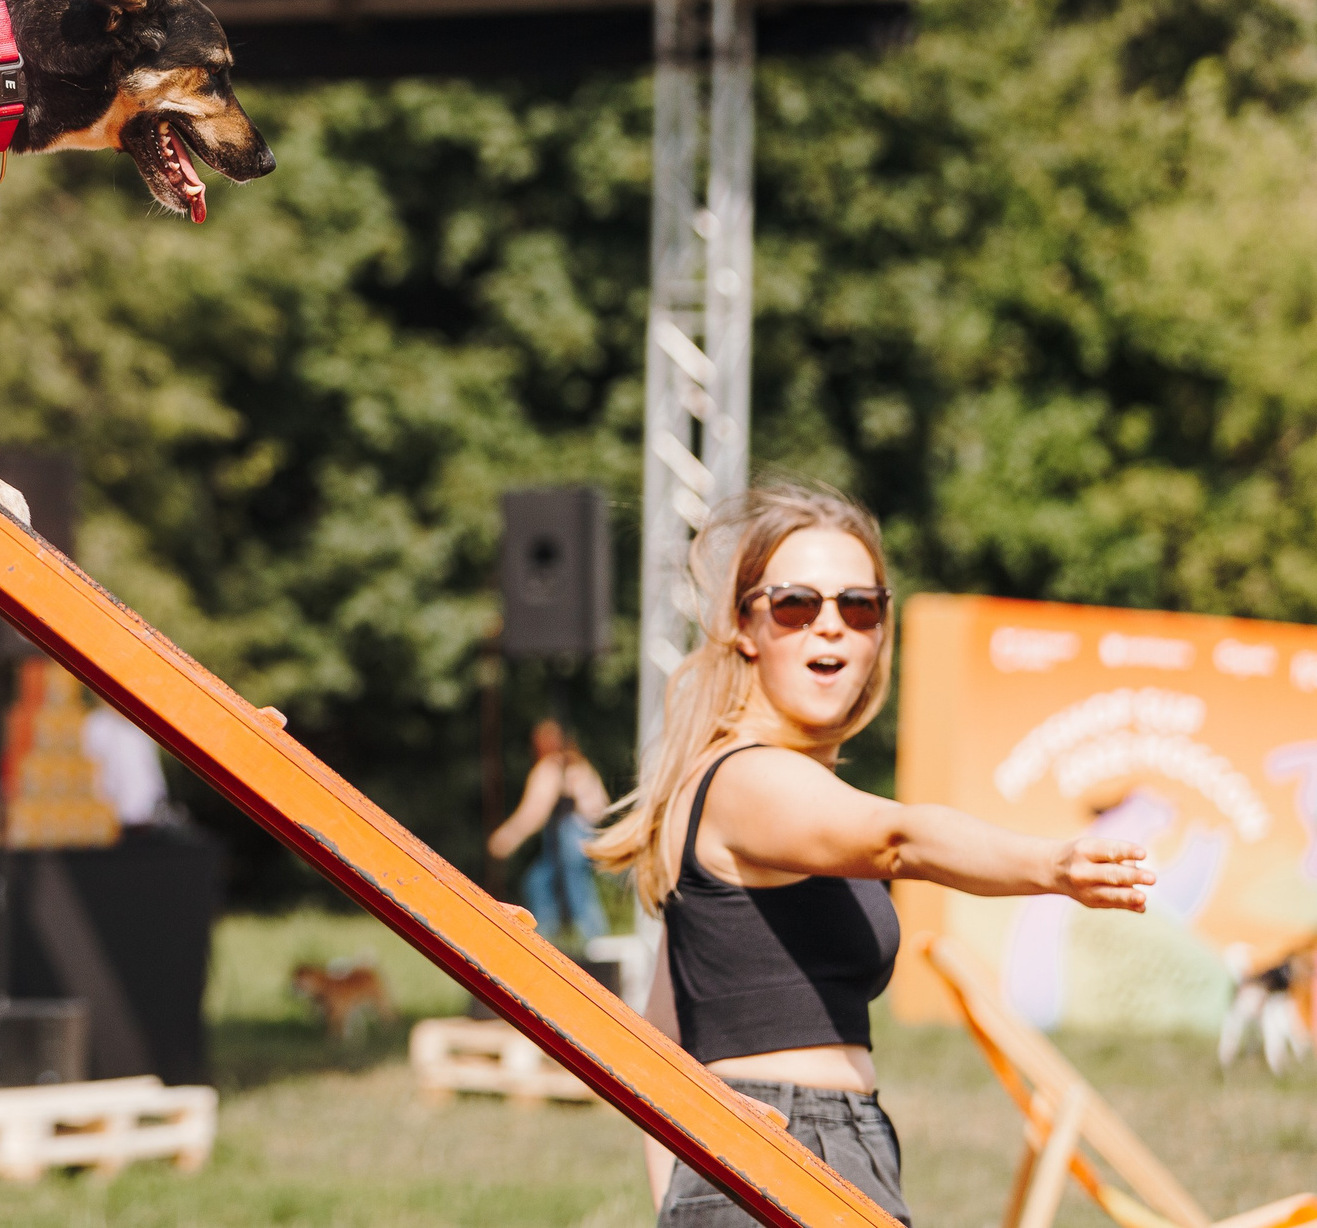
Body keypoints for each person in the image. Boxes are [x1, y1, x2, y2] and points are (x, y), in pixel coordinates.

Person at [587, 478, 1154, 1226]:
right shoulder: (747, 778)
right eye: (797, 604)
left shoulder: (751, 782)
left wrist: (688, 1197)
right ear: (746, 626)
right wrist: (1050, 866)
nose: (831, 626)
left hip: (796, 1151)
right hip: (786, 1143)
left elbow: (661, 1032)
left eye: (859, 607)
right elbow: (899, 839)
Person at [487, 719, 611, 946]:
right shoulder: (579, 764)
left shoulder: (550, 767)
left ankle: (572, 940)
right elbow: (601, 805)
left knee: (569, 888)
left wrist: (507, 837)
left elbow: (535, 812)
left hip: (570, 837)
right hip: (586, 836)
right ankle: (572, 939)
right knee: (542, 882)